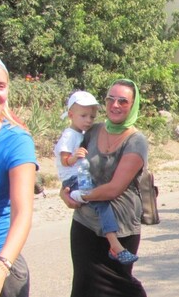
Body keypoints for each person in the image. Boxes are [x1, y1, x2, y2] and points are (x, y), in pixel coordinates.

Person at [59, 79, 158, 297]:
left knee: (120, 279)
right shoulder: (91, 130)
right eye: (111, 99)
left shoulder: (136, 140)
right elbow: (71, 166)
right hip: (86, 221)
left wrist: (81, 196)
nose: (115, 105)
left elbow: (115, 188)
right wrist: (65, 193)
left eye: (123, 101)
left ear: (133, 105)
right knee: (84, 283)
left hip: (122, 223)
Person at [0, 52, 37, 297]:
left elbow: (23, 211)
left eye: (0, 85)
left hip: (0, 263)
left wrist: (1, 266)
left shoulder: (15, 140)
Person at [55, 91, 139, 264]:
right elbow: (63, 160)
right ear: (71, 115)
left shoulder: (93, 132)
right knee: (101, 203)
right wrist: (74, 158)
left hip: (84, 182)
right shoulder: (70, 135)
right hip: (76, 182)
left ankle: (114, 244)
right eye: (83, 116)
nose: (88, 120)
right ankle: (115, 245)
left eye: (92, 117)